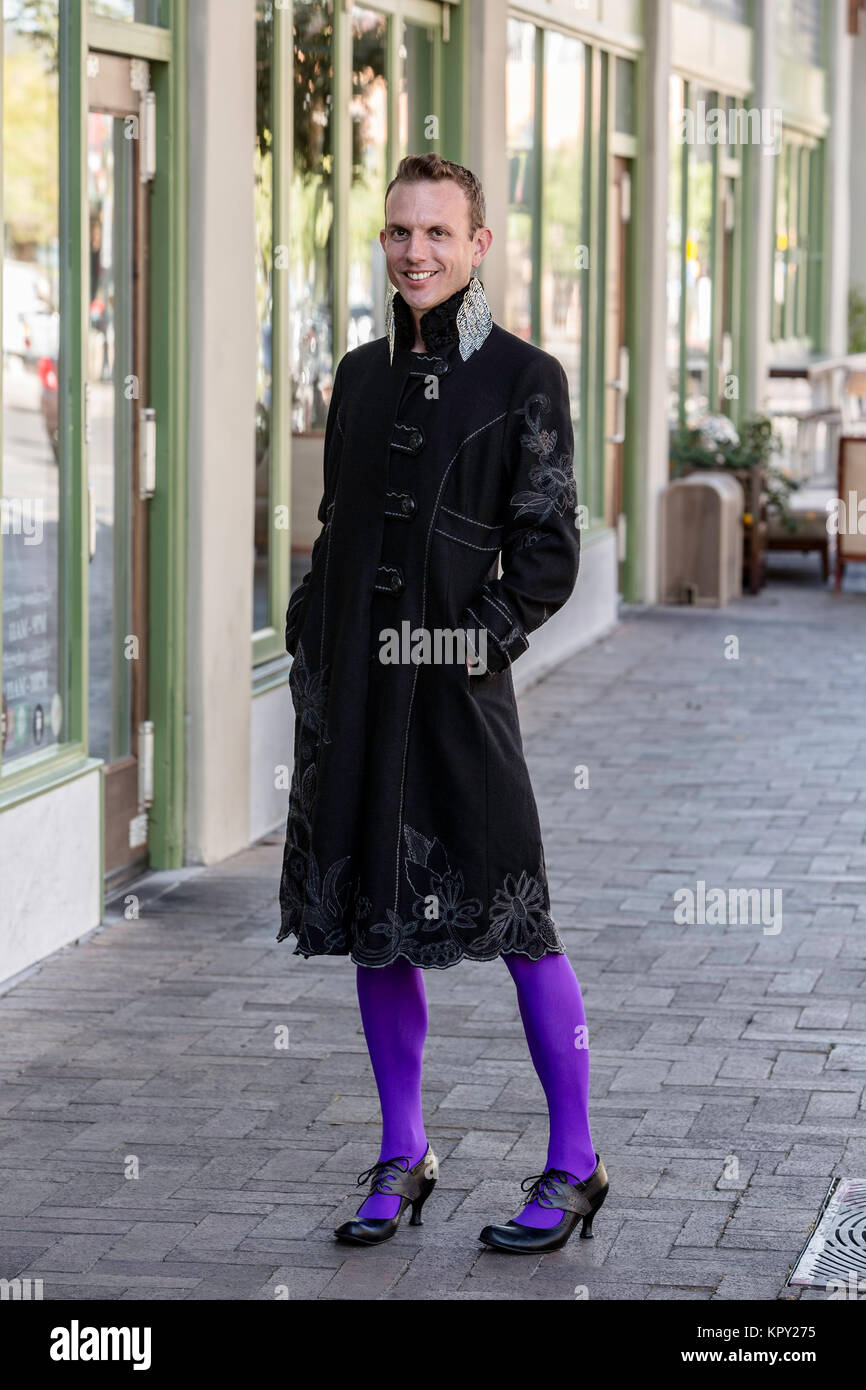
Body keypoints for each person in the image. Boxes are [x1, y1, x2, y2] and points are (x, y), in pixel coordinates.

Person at [278, 154, 608, 1254]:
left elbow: (548, 551)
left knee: (519, 918)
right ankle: (403, 1152)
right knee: (380, 925)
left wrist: (471, 647)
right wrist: (308, 628)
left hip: (458, 697)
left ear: (479, 246)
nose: (413, 251)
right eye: (397, 232)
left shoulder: (525, 377)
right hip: (358, 695)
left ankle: (573, 1161)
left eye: (436, 233)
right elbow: (337, 522)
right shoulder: (360, 373)